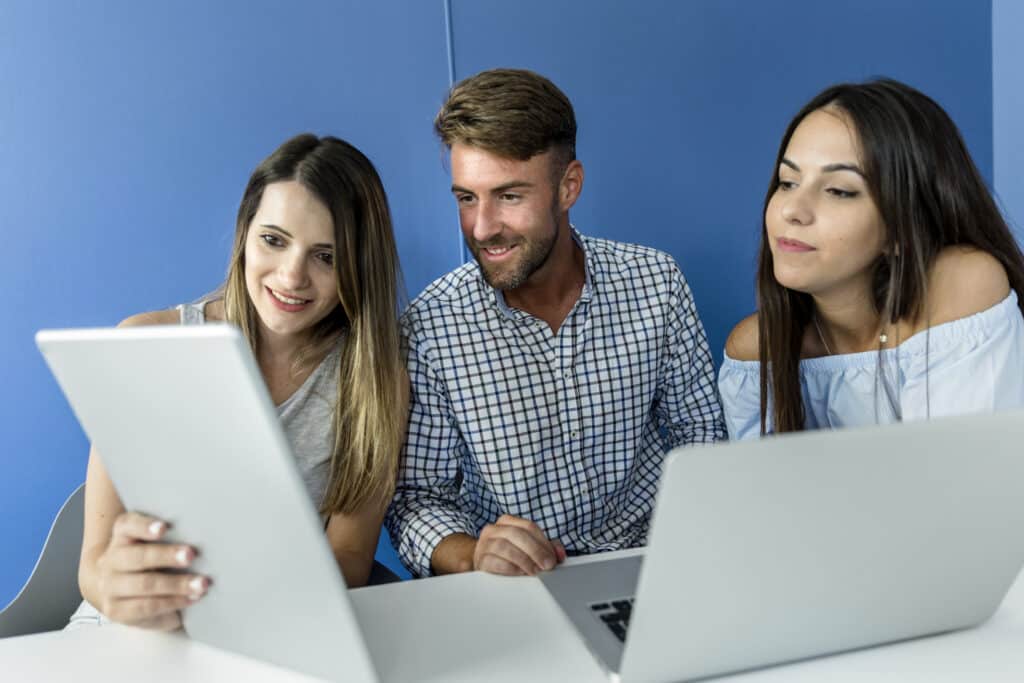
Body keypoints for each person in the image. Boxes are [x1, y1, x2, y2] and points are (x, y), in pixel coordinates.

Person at [385, 68, 725, 579]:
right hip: (516, 590)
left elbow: (701, 438)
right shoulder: (430, 327)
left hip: (657, 567)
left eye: (510, 196)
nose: (483, 227)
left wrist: (688, 554)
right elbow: (416, 500)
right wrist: (474, 554)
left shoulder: (657, 282)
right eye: (466, 198)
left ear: (568, 187)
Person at [71, 134, 408, 630]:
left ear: (358, 266)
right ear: (244, 234)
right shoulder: (144, 344)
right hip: (129, 632)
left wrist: (236, 612)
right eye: (274, 240)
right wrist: (122, 594)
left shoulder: (375, 383)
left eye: (327, 257)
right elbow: (94, 568)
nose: (292, 277)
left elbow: (349, 562)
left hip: (278, 627)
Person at [719, 78, 1024, 439]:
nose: (793, 211)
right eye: (788, 182)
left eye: (839, 190)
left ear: (901, 227)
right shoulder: (757, 350)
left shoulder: (960, 283)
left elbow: (962, 482)